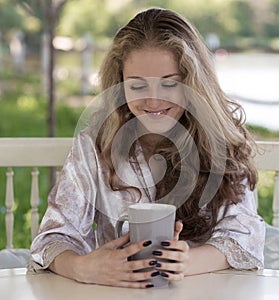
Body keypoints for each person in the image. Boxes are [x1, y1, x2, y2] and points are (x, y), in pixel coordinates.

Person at [28, 8, 265, 288]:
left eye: (169, 84)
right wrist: (83, 268)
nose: (153, 101)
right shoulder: (94, 144)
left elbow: (245, 235)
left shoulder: (222, 140)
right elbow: (52, 238)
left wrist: (186, 262)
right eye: (137, 86)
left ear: (193, 83)